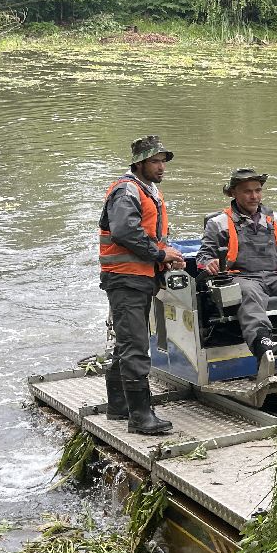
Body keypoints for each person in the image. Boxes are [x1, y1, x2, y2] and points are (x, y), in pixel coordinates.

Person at [98, 135, 185, 435]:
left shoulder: (149, 192)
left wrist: (166, 259)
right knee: (135, 346)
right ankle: (140, 416)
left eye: (162, 160)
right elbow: (125, 232)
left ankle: (119, 406)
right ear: (139, 163)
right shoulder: (127, 191)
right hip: (125, 279)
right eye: (155, 161)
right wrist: (161, 254)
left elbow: (148, 237)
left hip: (138, 277)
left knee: (128, 342)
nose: (161, 166)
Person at [196, 167, 277, 357]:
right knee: (248, 292)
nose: (254, 196)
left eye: (257, 190)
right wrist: (210, 262)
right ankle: (263, 341)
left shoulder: (274, 219)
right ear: (233, 193)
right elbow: (203, 256)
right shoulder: (218, 223)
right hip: (242, 278)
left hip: (276, 276)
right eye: (247, 191)